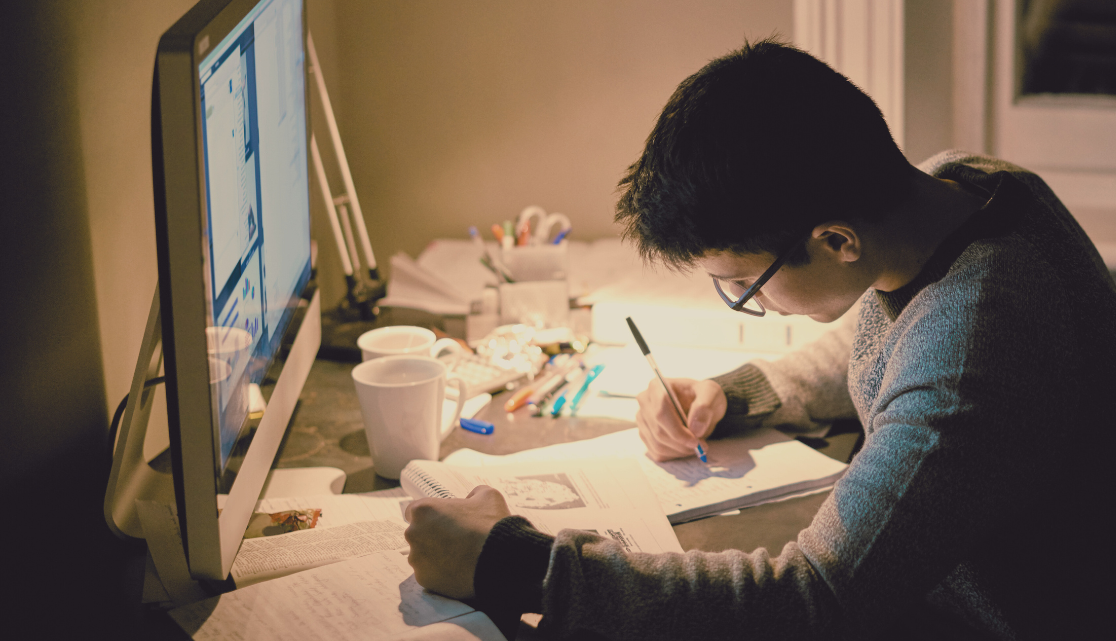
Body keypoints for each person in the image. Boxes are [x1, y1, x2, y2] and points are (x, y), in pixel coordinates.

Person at [403, 39, 1115, 639]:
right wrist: (743, 392)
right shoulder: (959, 189)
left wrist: (512, 563)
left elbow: (815, 597)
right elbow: (900, 333)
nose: (749, 303)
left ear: (836, 239)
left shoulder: (972, 355)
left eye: (743, 284)